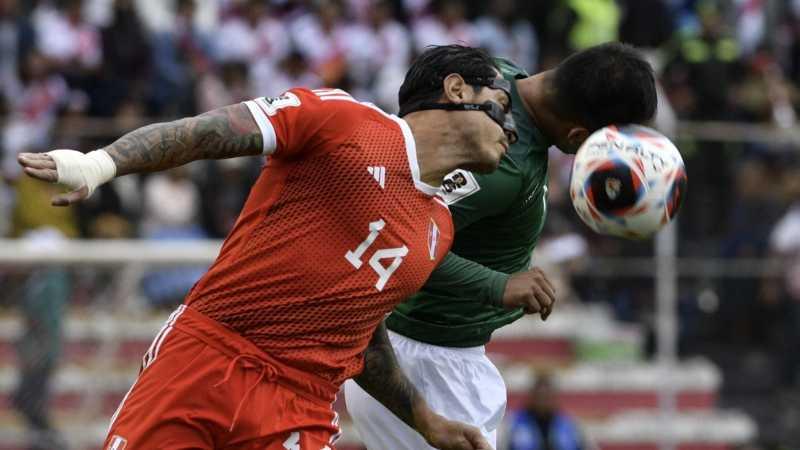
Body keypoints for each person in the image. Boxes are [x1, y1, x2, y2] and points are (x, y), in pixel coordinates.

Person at [18, 44, 542, 450]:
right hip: (208, 357)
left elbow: (362, 334)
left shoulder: (437, 228)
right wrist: (103, 162)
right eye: (502, 108)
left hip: (301, 404)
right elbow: (208, 133)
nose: (513, 130)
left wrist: (430, 423)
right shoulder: (347, 122)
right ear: (455, 89)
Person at [345, 42, 658, 449]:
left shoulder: (503, 75)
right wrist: (499, 285)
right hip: (429, 367)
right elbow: (395, 239)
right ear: (578, 134)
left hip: (441, 359)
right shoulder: (499, 166)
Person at [505, 372, 593, 450]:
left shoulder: (568, 423)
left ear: (553, 397)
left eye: (547, 396)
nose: (542, 401)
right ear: (532, 396)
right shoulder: (515, 423)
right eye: (539, 396)